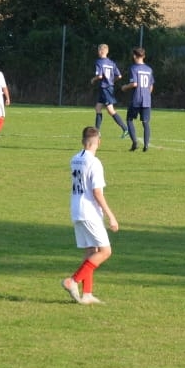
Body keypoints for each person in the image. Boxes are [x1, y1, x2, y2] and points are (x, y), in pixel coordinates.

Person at [61, 126, 119, 306]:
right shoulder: (94, 163)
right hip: (89, 212)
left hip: (76, 209)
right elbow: (97, 192)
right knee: (105, 251)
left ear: (82, 141)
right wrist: (111, 216)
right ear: (98, 142)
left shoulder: (74, 159)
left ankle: (87, 294)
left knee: (91, 252)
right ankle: (73, 281)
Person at [91, 44, 129, 138]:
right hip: (108, 87)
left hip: (105, 88)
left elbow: (99, 76)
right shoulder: (111, 62)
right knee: (98, 108)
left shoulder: (99, 62)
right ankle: (97, 131)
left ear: (100, 51)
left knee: (110, 110)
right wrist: (112, 81)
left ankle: (126, 129)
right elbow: (119, 76)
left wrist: (93, 79)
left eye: (98, 50)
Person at [124, 46, 155, 152]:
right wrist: (146, 94)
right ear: (144, 56)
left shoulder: (133, 68)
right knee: (145, 122)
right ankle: (146, 145)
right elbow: (151, 86)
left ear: (134, 56)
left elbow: (134, 83)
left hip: (136, 99)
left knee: (129, 120)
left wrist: (124, 87)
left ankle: (135, 143)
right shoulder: (149, 69)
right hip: (146, 99)